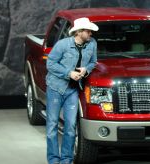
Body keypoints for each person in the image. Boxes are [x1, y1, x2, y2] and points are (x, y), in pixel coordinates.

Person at [46, 17, 98, 164]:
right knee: (52, 125)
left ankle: (66, 160)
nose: (91, 34)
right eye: (88, 31)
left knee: (70, 126)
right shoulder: (62, 45)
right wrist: (69, 73)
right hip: (56, 88)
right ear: (79, 32)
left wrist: (86, 69)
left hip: (73, 90)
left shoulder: (92, 44)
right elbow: (50, 64)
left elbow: (93, 62)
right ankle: (53, 160)